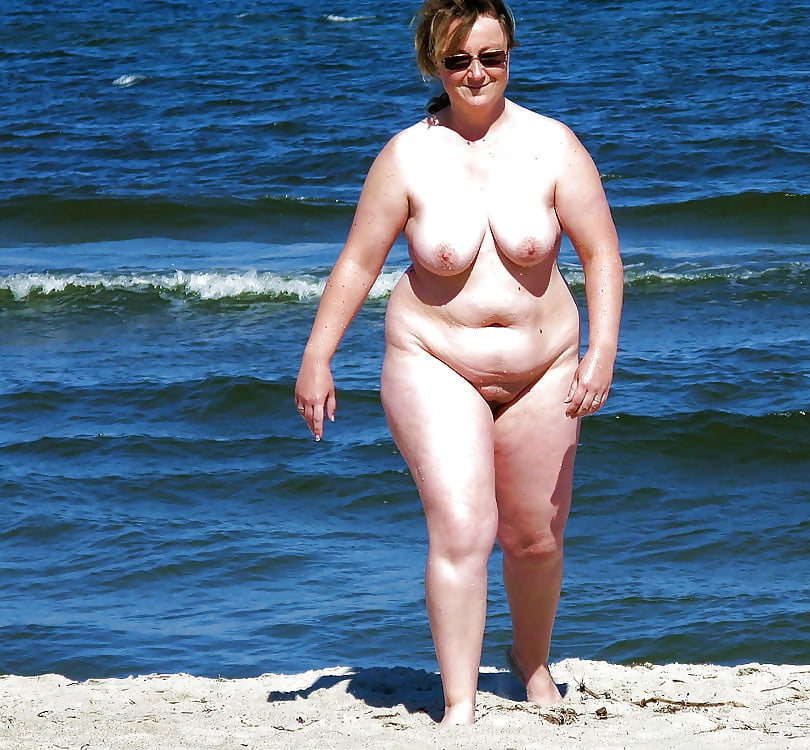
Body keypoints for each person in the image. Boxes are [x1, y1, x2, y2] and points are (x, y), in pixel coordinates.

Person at [294, 0, 622, 726]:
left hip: (546, 364)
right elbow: (357, 263)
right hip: (434, 359)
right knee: (463, 529)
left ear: (511, 57)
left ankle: (531, 663)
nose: (476, 73)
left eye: (491, 57)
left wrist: (601, 352)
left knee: (534, 538)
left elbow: (601, 253)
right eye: (458, 60)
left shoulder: (554, 146)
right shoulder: (407, 155)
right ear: (433, 65)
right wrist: (318, 356)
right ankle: (460, 704)